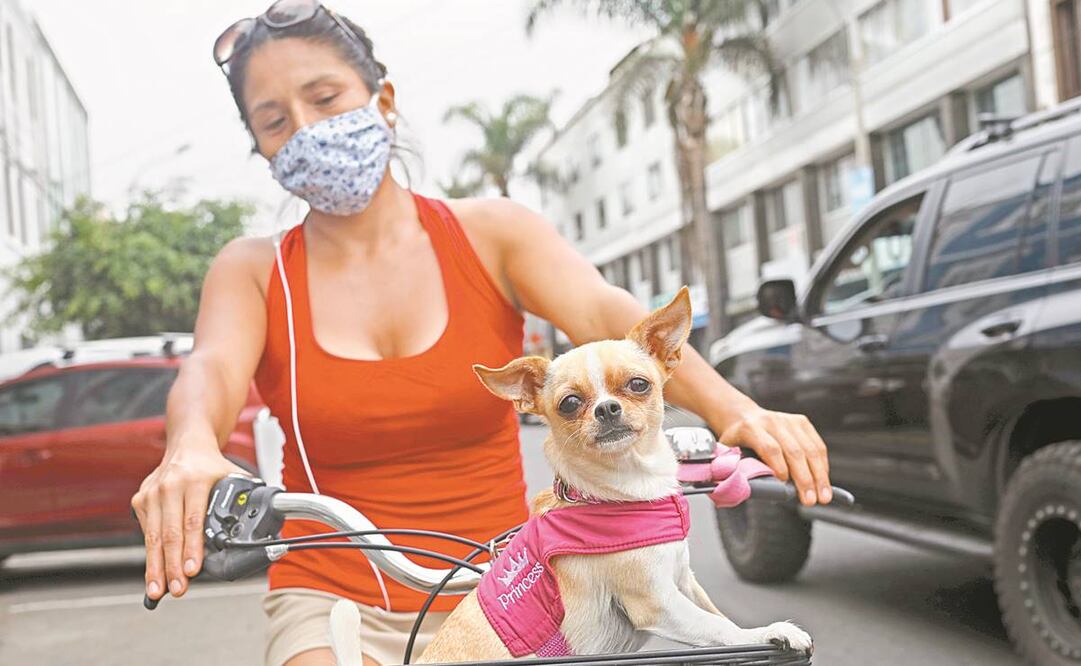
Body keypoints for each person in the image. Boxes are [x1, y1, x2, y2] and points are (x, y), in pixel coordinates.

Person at [130, 2, 834, 665]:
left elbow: (608, 315)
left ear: (382, 99)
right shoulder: (254, 272)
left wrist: (735, 410)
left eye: (324, 98)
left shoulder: (493, 233)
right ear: (258, 146)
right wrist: (189, 449)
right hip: (329, 592)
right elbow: (212, 372)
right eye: (274, 120)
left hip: (511, 584)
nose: (307, 130)